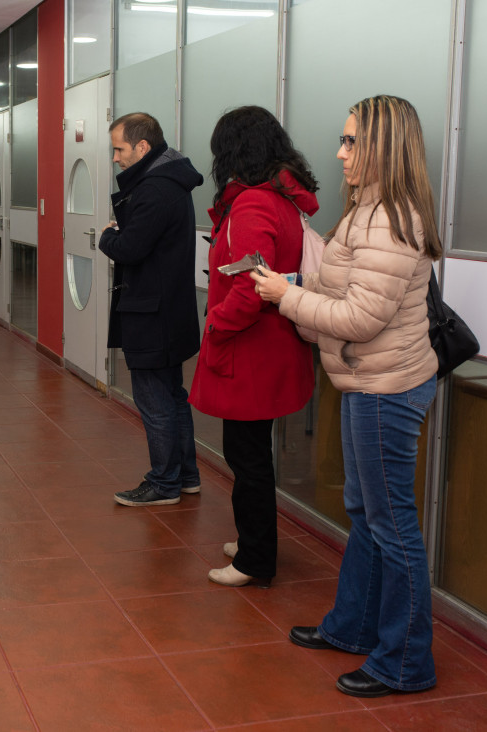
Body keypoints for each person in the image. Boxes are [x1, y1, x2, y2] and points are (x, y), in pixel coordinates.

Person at [251, 95, 442, 698]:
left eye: (351, 141)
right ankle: (355, 627)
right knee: (367, 516)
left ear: (383, 147)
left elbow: (361, 317)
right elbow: (347, 286)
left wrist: (286, 298)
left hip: (386, 387)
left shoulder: (389, 218)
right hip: (367, 383)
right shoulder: (368, 209)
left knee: (392, 527)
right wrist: (294, 283)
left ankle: (405, 663)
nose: (340, 152)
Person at [187, 107, 318, 588]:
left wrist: (217, 324)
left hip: (251, 351)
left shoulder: (252, 205)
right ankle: (251, 539)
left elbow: (247, 286)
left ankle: (255, 559)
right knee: (252, 455)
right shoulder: (280, 198)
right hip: (271, 346)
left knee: (248, 460)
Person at [99, 112, 202, 507]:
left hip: (151, 313)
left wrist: (109, 236)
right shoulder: (169, 181)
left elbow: (130, 249)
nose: (115, 157)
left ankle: (164, 483)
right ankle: (186, 475)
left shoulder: (154, 189)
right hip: (169, 309)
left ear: (143, 147)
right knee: (173, 396)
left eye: (119, 149)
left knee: (155, 401)